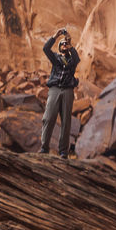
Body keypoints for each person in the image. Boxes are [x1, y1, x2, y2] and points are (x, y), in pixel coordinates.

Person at [39, 27, 80, 156]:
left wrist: (70, 45)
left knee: (66, 121)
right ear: (59, 47)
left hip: (68, 90)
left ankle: (63, 151)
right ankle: (44, 147)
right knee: (48, 117)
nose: (63, 45)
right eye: (61, 44)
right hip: (55, 89)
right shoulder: (55, 58)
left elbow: (77, 59)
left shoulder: (72, 60)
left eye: (65, 44)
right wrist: (55, 36)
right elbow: (46, 48)